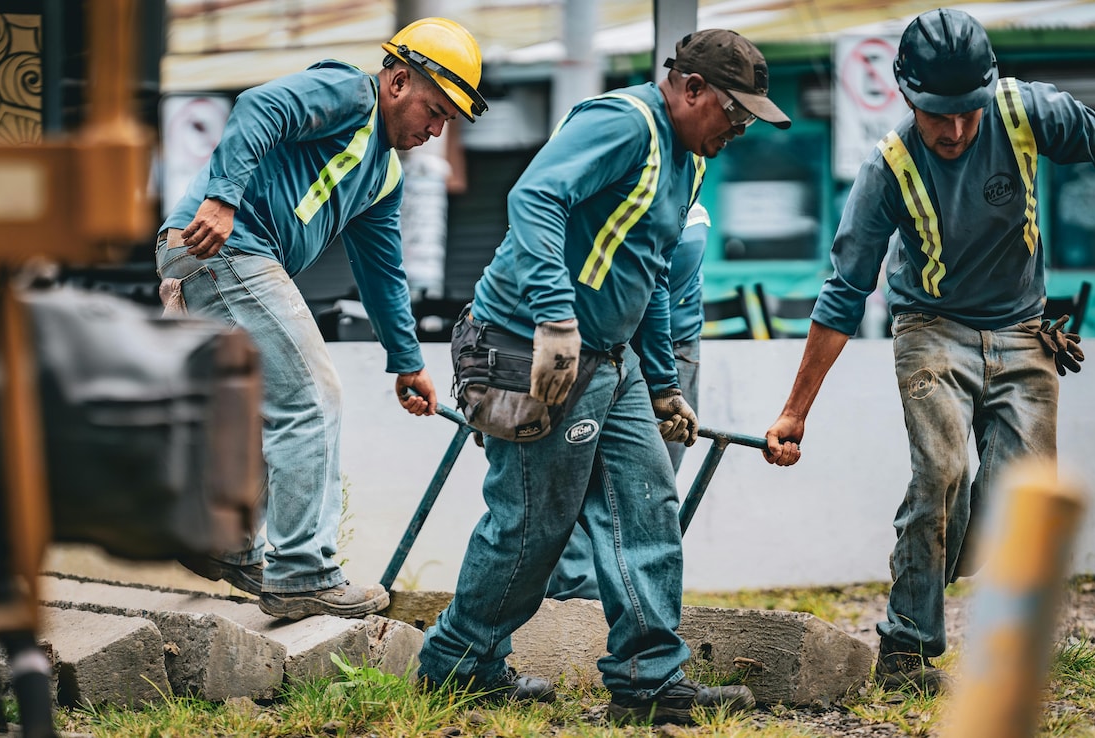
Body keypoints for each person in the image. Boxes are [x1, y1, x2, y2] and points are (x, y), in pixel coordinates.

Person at [417, 29, 790, 725]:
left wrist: (662, 384)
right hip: (530, 346)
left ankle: (651, 683)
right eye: (733, 111)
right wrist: (556, 322)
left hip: (608, 362)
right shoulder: (624, 123)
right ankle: (457, 665)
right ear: (691, 88)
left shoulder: (690, 157)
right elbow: (534, 199)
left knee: (648, 507)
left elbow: (644, 272)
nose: (738, 127)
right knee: (533, 523)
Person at [761, 7, 1095, 694]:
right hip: (930, 329)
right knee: (942, 473)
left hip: (1023, 329)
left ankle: (1005, 643)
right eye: (935, 115)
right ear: (906, 95)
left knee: (1023, 499)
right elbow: (842, 295)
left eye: (966, 113)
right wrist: (795, 411)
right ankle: (906, 652)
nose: (953, 131)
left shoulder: (1027, 113)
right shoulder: (887, 168)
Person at [156, 17, 489, 620]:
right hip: (221, 248)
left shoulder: (384, 174)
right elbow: (259, 106)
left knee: (275, 401)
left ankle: (225, 542)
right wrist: (223, 197)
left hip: (225, 258)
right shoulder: (350, 93)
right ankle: (303, 572)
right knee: (311, 398)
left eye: (448, 122)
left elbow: (383, 272)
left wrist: (408, 362)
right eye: (436, 110)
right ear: (398, 81)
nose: (437, 130)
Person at [547, 202, 711, 601]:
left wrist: (663, 385)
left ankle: (633, 608)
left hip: (659, 345)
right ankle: (576, 600)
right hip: (590, 340)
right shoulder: (578, 199)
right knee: (570, 475)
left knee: (647, 489)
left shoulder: (687, 220)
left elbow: (652, 298)